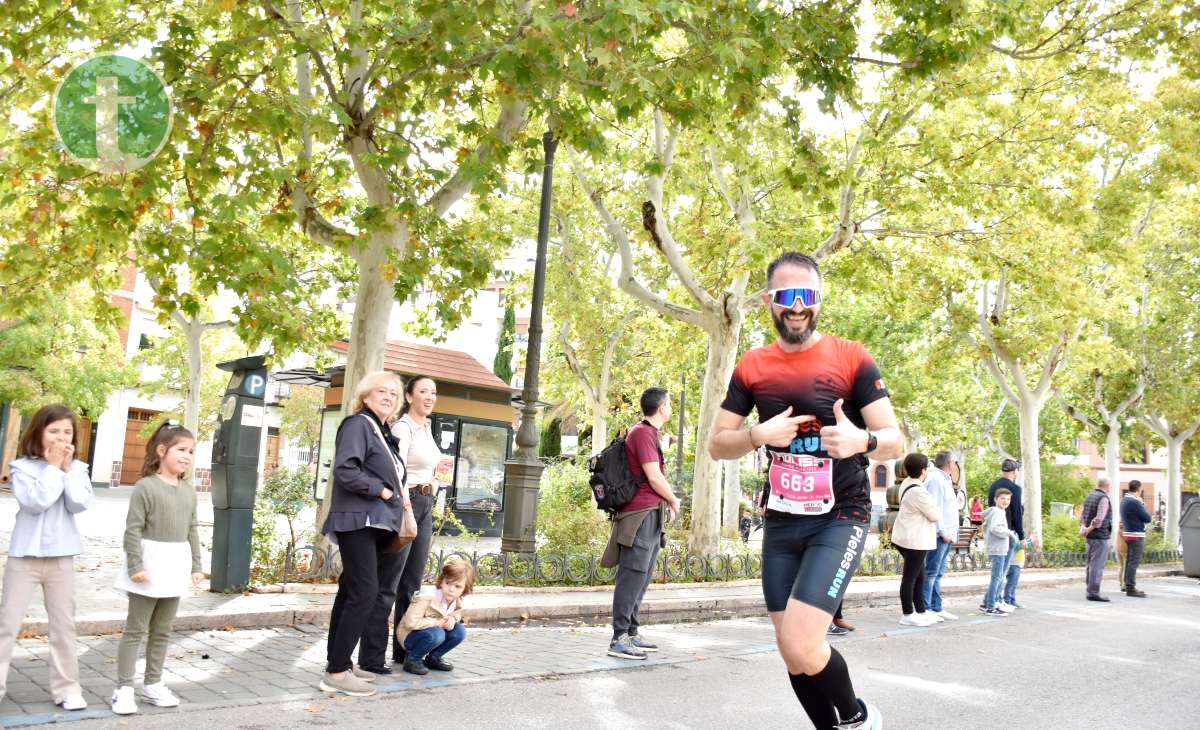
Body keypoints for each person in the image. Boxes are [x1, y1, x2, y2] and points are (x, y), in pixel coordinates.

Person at [708, 252, 902, 730]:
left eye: (806, 296)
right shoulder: (753, 366)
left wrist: (864, 441)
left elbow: (896, 439)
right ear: (770, 302)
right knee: (794, 652)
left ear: (818, 300)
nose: (796, 307)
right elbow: (717, 444)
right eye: (786, 297)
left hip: (840, 516)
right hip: (782, 522)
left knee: (800, 640)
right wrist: (757, 435)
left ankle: (859, 719)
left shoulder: (852, 357)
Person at [320, 371, 410, 697]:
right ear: (366, 396)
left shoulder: (381, 431)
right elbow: (345, 469)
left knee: (350, 593)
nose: (388, 397)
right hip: (357, 519)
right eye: (381, 391)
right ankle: (337, 672)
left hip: (371, 522)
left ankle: (338, 662)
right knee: (365, 593)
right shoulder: (358, 424)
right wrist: (383, 492)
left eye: (393, 393)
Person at [0, 405, 94, 713]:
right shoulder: (21, 467)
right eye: (54, 431)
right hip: (24, 558)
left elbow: (79, 503)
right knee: (7, 624)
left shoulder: (78, 469)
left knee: (64, 626)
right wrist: (52, 468)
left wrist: (66, 471)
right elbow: (34, 503)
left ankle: (67, 688)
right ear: (38, 433)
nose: (61, 438)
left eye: (67, 432)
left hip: (61, 558)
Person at [110, 422, 205, 715]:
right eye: (181, 449)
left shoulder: (189, 491)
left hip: (174, 564)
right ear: (162, 451)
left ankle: (153, 683)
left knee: (163, 630)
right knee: (136, 629)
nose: (187, 456)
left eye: (191, 451)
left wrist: (197, 565)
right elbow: (133, 530)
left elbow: (192, 529)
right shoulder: (145, 487)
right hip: (148, 564)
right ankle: (123, 688)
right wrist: (135, 564)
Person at [369, 375, 445, 673]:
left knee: (412, 584)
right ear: (410, 396)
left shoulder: (426, 427)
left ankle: (405, 652)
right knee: (390, 582)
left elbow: (429, 465)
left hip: (425, 503)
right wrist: (407, 507)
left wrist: (436, 482)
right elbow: (395, 470)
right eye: (423, 392)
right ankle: (373, 657)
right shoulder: (403, 426)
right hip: (406, 505)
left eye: (433, 393)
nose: (429, 397)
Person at [600, 387, 680, 660]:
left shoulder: (648, 434)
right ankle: (618, 638)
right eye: (669, 404)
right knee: (632, 575)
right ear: (661, 408)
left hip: (650, 512)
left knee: (642, 576)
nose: (671, 408)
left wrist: (665, 503)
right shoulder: (643, 433)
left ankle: (631, 632)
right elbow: (654, 477)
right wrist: (674, 500)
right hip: (639, 514)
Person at [396, 560, 473, 675]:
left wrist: (452, 619)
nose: (451, 589)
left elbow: (457, 612)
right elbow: (410, 623)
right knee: (437, 634)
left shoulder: (455, 599)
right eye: (448, 583)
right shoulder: (426, 598)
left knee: (459, 631)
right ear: (441, 581)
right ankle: (412, 660)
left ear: (465, 589)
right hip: (409, 636)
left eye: (457, 586)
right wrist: (438, 623)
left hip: (431, 633)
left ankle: (434, 658)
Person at [891, 453, 942, 627]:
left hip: (905, 537)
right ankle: (907, 614)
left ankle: (920, 611)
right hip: (915, 541)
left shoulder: (906, 483)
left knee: (920, 576)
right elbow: (935, 515)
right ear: (923, 470)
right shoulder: (919, 492)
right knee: (911, 578)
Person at [922, 452, 960, 621]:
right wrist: (943, 532)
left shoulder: (945, 479)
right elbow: (934, 507)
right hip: (940, 535)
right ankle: (926, 608)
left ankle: (936, 607)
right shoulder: (936, 480)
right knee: (931, 573)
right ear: (950, 463)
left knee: (938, 573)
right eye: (955, 461)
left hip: (948, 535)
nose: (956, 465)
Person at [987, 459, 1026, 609]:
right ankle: (993, 602)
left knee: (998, 572)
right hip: (1008, 533)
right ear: (1015, 472)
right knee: (1001, 572)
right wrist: (1021, 536)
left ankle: (993, 600)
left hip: (994, 531)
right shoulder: (1015, 489)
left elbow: (991, 509)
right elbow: (1017, 514)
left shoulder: (993, 486)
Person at [981, 489, 1019, 616]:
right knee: (997, 578)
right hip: (997, 549)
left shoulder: (999, 511)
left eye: (1008, 499)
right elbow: (995, 529)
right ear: (996, 499)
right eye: (1002, 498)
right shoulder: (997, 512)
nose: (1005, 501)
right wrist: (1009, 532)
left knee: (998, 577)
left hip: (1000, 548)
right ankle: (991, 607)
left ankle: (988, 602)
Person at [1080, 477, 1113, 602]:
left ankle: (1090, 588)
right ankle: (1093, 592)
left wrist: (1083, 528)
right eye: (1110, 486)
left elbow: (1083, 515)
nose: (1110, 488)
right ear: (1107, 486)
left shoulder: (1089, 496)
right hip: (1099, 535)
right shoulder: (1103, 498)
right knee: (1097, 564)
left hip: (1090, 537)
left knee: (1090, 563)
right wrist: (1089, 528)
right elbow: (1099, 518)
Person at [1120, 480, 1153, 598]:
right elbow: (1147, 518)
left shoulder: (1124, 500)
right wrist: (1143, 505)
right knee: (1134, 561)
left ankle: (1126, 584)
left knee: (1129, 560)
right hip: (1136, 534)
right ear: (1139, 489)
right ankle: (1131, 587)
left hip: (1128, 533)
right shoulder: (1135, 502)